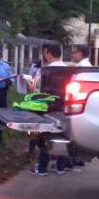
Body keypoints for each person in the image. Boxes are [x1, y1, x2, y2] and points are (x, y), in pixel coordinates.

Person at [28, 44, 68, 176]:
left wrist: (30, 85)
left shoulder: (45, 71)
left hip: (47, 108)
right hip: (64, 108)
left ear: (46, 52)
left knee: (44, 136)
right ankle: (60, 166)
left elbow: (37, 91)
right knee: (63, 135)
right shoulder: (68, 70)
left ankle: (42, 168)